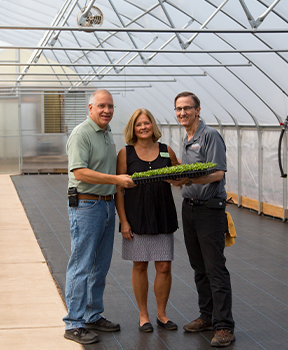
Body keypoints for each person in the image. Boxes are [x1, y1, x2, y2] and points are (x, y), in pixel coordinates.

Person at [64, 89, 136, 345]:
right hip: (86, 205)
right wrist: (116, 179)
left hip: (106, 206)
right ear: (90, 108)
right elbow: (80, 172)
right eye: (102, 106)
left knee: (101, 266)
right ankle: (74, 322)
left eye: (111, 106)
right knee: (81, 264)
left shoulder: (107, 135)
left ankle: (93, 315)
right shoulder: (81, 134)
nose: (107, 110)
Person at [168, 91, 236, 348]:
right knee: (199, 267)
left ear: (198, 110)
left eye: (187, 108)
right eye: (178, 109)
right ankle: (206, 317)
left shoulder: (210, 136)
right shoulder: (186, 138)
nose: (182, 113)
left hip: (209, 209)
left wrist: (188, 180)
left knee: (215, 268)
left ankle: (224, 326)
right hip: (190, 208)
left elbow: (217, 173)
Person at [115, 108, 179, 333]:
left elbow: (180, 177)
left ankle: (162, 314)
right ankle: (144, 316)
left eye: (147, 123)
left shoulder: (166, 151)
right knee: (140, 265)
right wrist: (123, 221)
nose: (143, 127)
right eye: (138, 124)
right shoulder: (126, 153)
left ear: (153, 125)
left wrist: (179, 178)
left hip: (162, 214)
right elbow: (119, 190)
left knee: (164, 266)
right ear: (133, 128)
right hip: (137, 215)